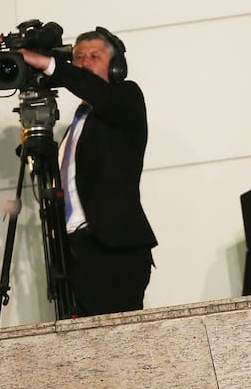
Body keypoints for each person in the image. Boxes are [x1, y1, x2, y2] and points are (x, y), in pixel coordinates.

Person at [19, 27, 157, 316]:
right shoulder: (76, 128)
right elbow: (55, 186)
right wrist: (31, 149)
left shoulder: (126, 97)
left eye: (94, 56)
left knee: (117, 346)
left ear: (116, 67)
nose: (82, 63)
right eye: (78, 56)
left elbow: (99, 94)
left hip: (112, 249)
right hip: (74, 253)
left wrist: (51, 65)